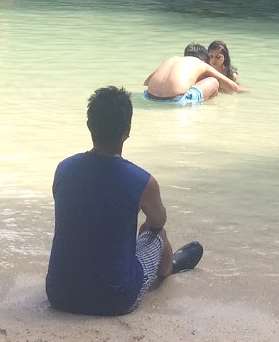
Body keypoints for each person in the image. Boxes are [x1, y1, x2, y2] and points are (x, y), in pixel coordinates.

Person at [45, 87, 203, 316]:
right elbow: (158, 221)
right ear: (127, 131)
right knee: (156, 234)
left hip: (59, 293)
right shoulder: (143, 181)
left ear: (89, 125)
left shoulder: (64, 169)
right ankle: (170, 268)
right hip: (114, 299)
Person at [143, 44, 248, 104]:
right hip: (175, 100)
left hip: (148, 96)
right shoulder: (201, 64)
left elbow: (146, 82)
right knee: (213, 81)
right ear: (203, 60)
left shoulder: (171, 59)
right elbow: (233, 88)